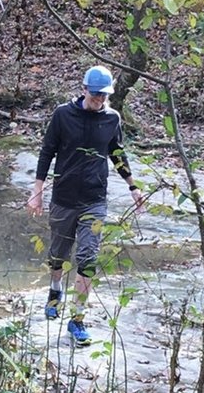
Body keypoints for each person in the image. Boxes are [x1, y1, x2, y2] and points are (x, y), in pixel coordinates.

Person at [26, 65, 144, 346]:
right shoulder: (62, 115)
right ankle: (55, 292)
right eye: (95, 96)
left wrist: (132, 185)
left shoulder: (112, 119)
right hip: (64, 198)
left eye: (104, 96)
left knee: (88, 258)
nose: (99, 101)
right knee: (58, 255)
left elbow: (117, 153)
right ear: (84, 90)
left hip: (94, 200)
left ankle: (77, 320)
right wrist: (37, 190)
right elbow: (47, 151)